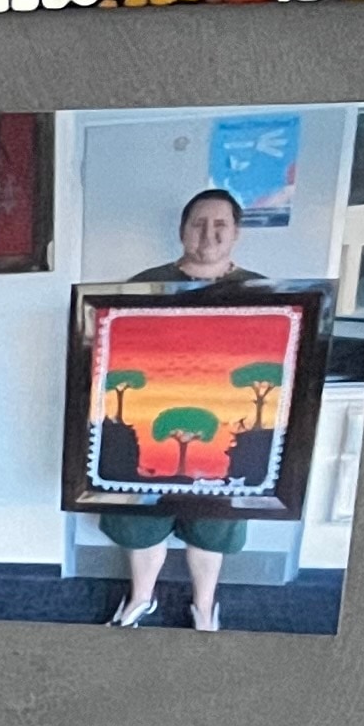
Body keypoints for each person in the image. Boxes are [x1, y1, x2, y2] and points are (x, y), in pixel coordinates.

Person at [100, 185, 266, 632]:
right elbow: (116, 351)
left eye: (220, 224)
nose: (209, 234)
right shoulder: (144, 285)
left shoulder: (262, 291)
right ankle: (141, 598)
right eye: (198, 223)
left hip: (224, 430)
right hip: (150, 422)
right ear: (182, 230)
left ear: (236, 233)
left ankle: (204, 608)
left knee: (212, 526)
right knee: (141, 522)